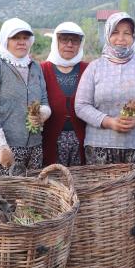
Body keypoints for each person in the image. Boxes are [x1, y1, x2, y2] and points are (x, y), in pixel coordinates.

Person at [75, 12, 135, 165]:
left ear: (133, 36)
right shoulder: (95, 67)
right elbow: (81, 105)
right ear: (107, 35)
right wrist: (109, 122)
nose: (121, 38)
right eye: (115, 32)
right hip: (100, 146)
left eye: (127, 33)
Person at [0, 18, 50, 176]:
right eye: (15, 38)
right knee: (2, 192)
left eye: (25, 38)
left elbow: (44, 101)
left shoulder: (35, 67)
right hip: (3, 149)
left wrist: (42, 114)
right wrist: (2, 146)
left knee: (31, 192)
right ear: (6, 40)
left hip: (34, 147)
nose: (21, 42)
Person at [40, 22, 88, 166]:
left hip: (81, 139)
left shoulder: (88, 69)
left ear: (80, 44)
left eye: (75, 40)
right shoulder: (42, 69)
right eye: (64, 39)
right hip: (50, 139)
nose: (69, 44)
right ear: (56, 42)